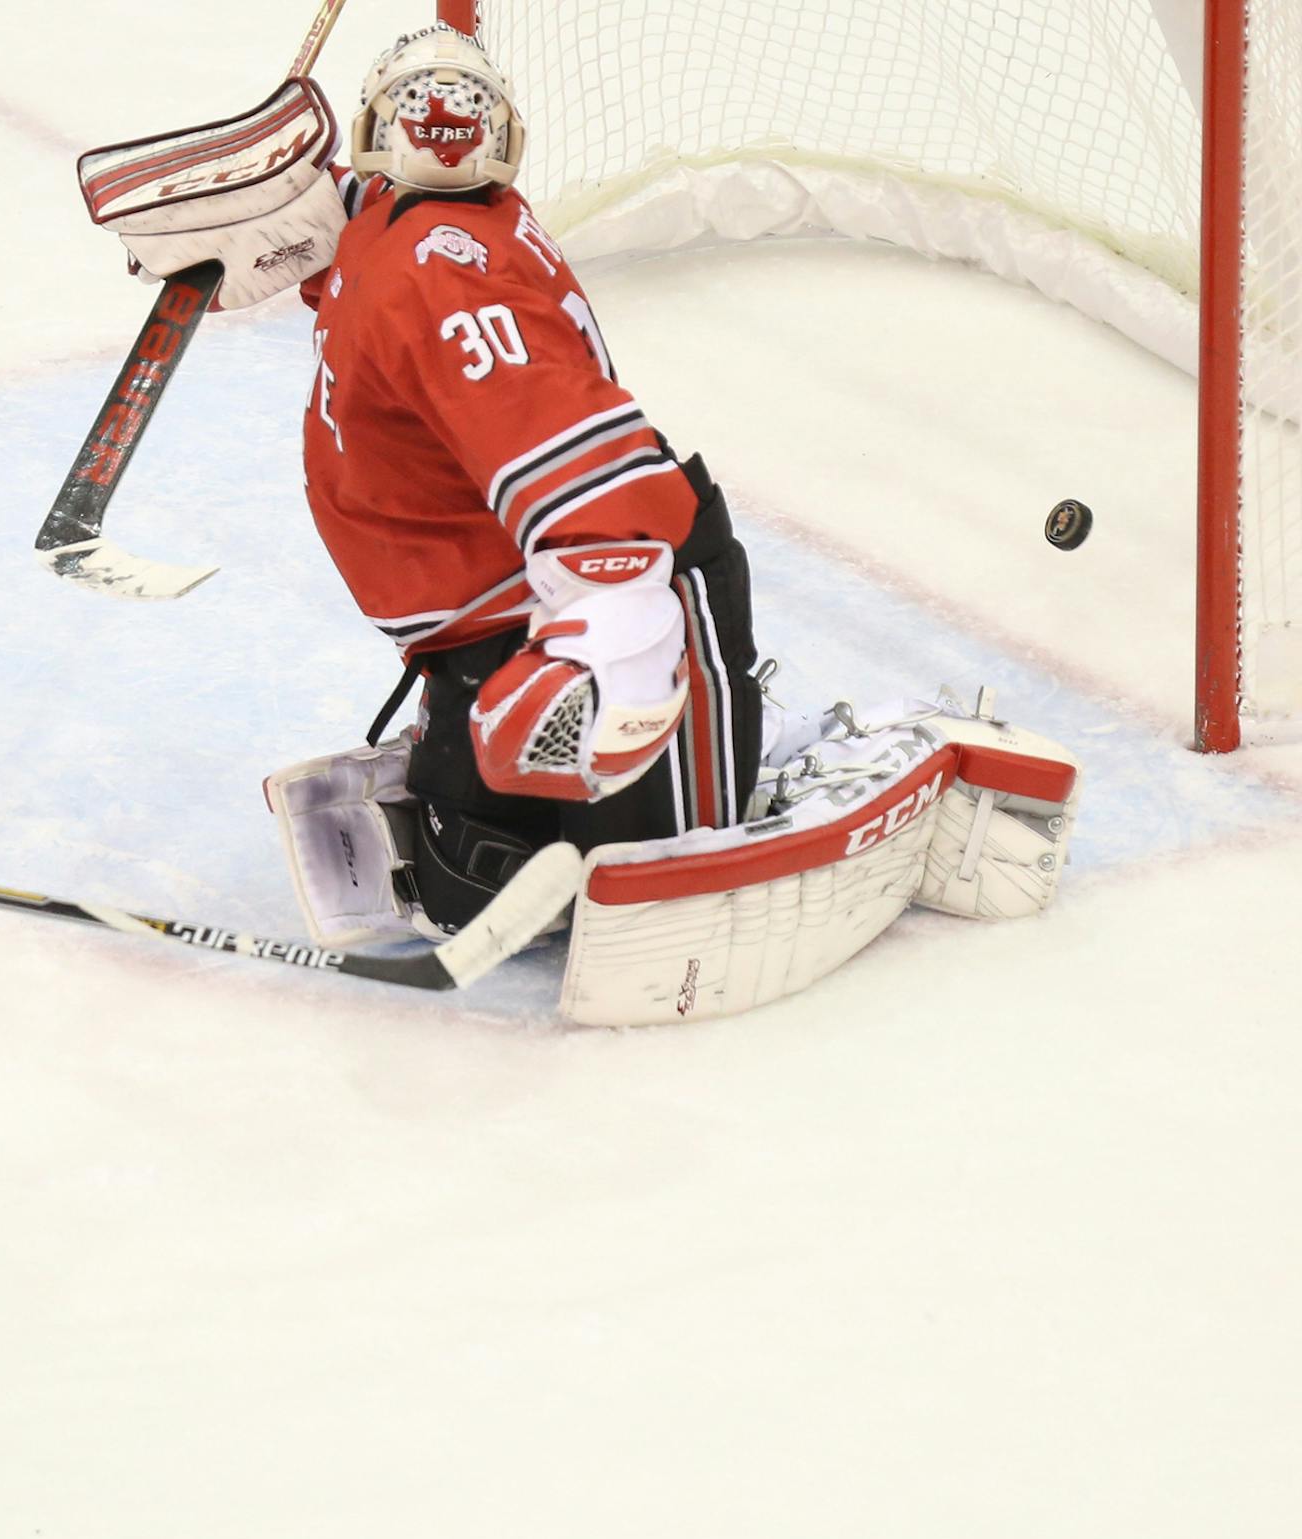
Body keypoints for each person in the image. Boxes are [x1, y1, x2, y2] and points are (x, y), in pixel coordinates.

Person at [85, 30, 1079, 1022]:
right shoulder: (397, 231)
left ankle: (773, 752)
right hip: (500, 620)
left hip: (622, 585)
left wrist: (613, 615)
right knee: (472, 869)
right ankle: (644, 726)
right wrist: (295, 210)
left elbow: (557, 435)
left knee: (646, 860)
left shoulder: (436, 273)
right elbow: (396, 265)